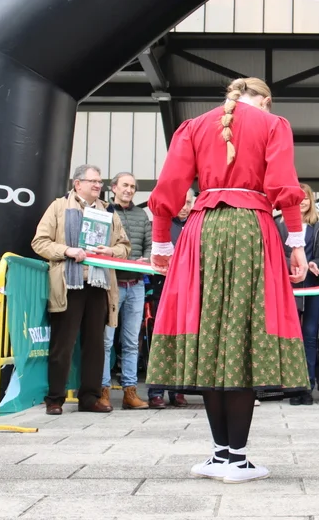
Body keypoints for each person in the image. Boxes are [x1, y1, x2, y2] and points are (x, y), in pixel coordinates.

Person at [146, 77, 308, 484]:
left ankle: (221, 454)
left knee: (210, 338)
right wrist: (297, 241)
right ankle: (236, 458)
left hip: (202, 230)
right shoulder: (273, 125)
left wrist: (162, 241)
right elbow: (284, 185)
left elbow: (169, 185)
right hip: (250, 229)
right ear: (264, 100)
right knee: (241, 337)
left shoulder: (194, 126)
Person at [32, 164, 131, 416]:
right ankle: (55, 398)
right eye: (92, 181)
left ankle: (90, 398)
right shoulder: (58, 207)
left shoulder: (108, 212)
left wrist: (110, 251)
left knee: (96, 345)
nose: (98, 185)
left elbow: (124, 247)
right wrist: (67, 250)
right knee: (62, 345)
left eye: (99, 181)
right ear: (77, 184)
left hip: (99, 285)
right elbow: (39, 242)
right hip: (68, 284)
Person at [278, 184, 319, 406]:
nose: (302, 202)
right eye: (298, 198)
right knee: (291, 338)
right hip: (288, 288)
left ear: (311, 201)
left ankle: (307, 386)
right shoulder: (279, 225)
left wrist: (315, 263)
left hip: (313, 288)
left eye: (306, 198)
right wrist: (290, 265)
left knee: (310, 336)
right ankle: (292, 386)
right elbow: (273, 252)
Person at [103, 171, 150, 410]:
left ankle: (130, 392)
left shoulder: (142, 215)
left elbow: (150, 244)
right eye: (125, 185)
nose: (129, 190)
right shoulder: (103, 212)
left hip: (136, 285)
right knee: (106, 341)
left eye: (132, 186)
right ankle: (103, 391)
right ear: (114, 188)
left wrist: (147, 259)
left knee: (132, 342)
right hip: (110, 284)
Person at [148, 189, 196, 409]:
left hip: (190, 292)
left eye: (189, 202)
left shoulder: (197, 226)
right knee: (162, 339)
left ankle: (178, 390)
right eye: (181, 202)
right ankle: (156, 391)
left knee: (183, 340)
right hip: (164, 290)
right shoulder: (162, 225)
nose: (185, 207)